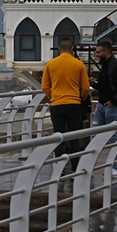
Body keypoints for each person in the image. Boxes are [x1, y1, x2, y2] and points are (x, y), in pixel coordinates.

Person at [41, 37, 90, 172]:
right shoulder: (78, 64)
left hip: (57, 104)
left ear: (59, 49)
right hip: (74, 104)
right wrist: (80, 98)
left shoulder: (51, 64)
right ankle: (75, 168)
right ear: (72, 49)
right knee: (74, 138)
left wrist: (54, 97)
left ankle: (59, 168)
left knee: (59, 137)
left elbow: (44, 86)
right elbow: (86, 87)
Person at [92, 41, 117, 177]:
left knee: (113, 137)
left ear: (106, 52)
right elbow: (105, 86)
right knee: (94, 134)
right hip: (102, 105)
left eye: (98, 52)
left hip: (111, 106)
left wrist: (114, 101)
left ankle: (116, 168)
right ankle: (90, 165)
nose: (96, 55)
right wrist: (94, 84)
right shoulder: (106, 66)